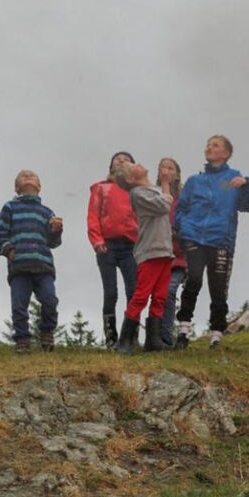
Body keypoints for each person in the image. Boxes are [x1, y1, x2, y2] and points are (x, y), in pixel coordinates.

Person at [173, 135, 249, 349]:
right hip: (194, 236)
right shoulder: (193, 181)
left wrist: (247, 184)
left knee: (218, 287)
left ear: (226, 153)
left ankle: (217, 333)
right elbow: (181, 208)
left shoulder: (234, 178)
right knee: (194, 280)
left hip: (221, 238)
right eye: (208, 144)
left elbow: (245, 206)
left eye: (215, 145)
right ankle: (183, 329)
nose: (209, 147)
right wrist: (183, 227)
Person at [0, 170, 63, 354]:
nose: (28, 177)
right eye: (23, 177)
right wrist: (9, 250)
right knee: (19, 305)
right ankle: (22, 339)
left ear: (39, 187)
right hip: (19, 266)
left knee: (50, 300)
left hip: (44, 266)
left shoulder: (47, 212)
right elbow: (0, 236)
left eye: (32, 176)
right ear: (17, 187)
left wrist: (56, 230)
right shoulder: (10, 208)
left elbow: (53, 242)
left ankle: (47, 332)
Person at [111, 162, 174, 353]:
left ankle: (153, 340)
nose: (138, 163)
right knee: (141, 296)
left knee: (160, 296)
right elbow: (164, 205)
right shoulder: (138, 194)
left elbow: (165, 203)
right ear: (131, 179)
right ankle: (125, 340)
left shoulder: (152, 190)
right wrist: (165, 185)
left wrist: (162, 187)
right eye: (133, 166)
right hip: (150, 251)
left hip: (164, 249)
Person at [87, 151, 139, 348]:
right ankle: (111, 338)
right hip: (107, 246)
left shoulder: (137, 191)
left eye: (127, 160)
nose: (122, 161)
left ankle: (130, 336)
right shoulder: (101, 188)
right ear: (111, 166)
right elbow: (93, 216)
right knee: (111, 292)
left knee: (134, 291)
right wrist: (96, 240)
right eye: (118, 159)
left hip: (131, 247)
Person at [156, 158, 188, 348]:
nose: (166, 171)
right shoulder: (152, 194)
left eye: (170, 168)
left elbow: (192, 220)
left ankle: (166, 338)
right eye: (162, 168)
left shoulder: (185, 198)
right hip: (156, 254)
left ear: (177, 173)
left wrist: (179, 231)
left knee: (169, 292)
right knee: (156, 295)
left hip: (179, 256)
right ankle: (155, 337)